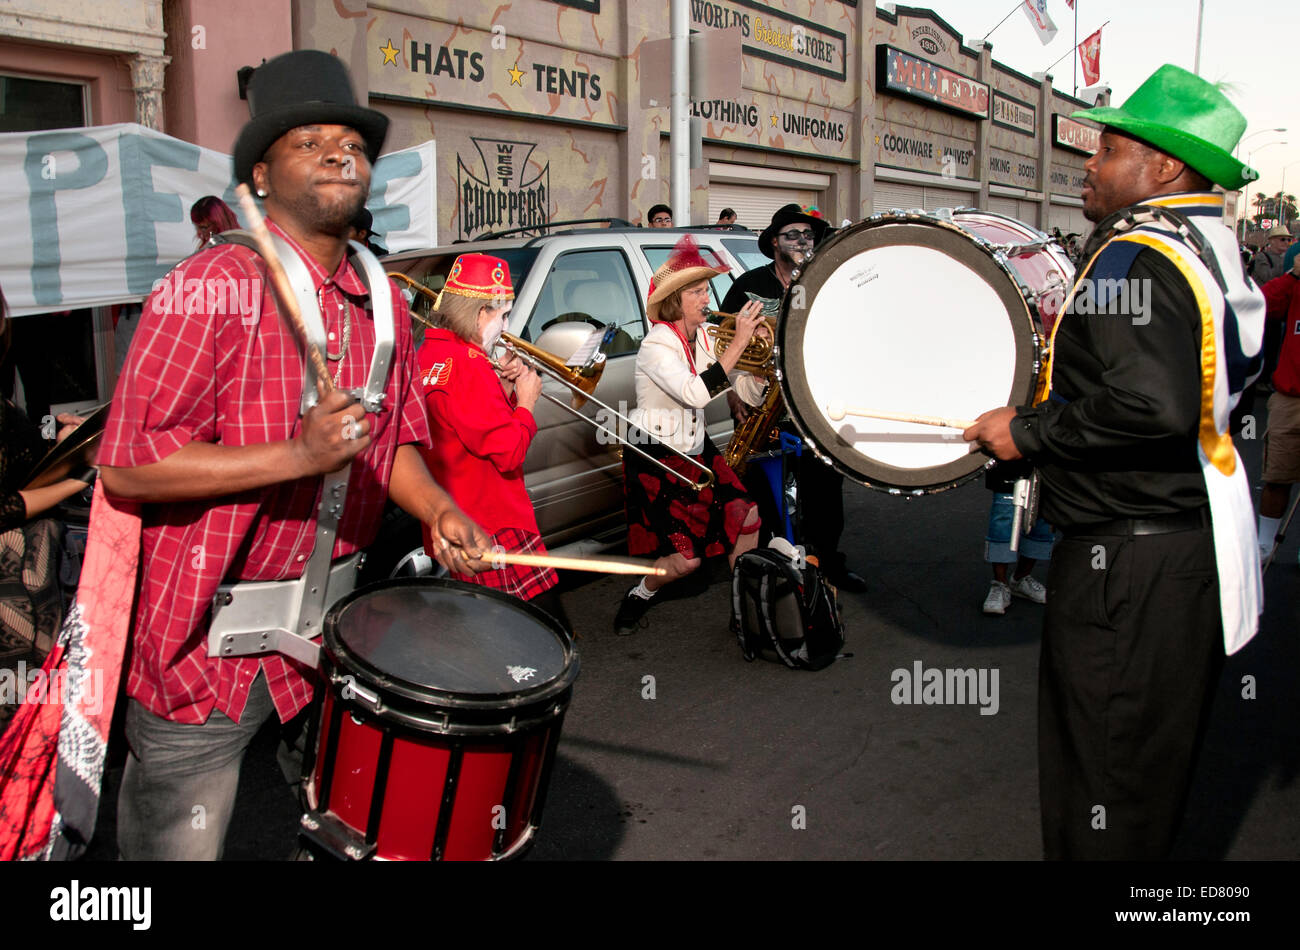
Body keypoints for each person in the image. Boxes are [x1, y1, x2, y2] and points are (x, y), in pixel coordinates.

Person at [97, 49, 489, 860]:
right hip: (204, 649)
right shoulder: (211, 288)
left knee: (333, 838)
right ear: (263, 177)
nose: (339, 151)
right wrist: (296, 455)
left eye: (352, 141)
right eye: (309, 141)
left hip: (331, 639)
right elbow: (129, 465)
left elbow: (395, 440)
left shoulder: (383, 300)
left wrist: (437, 507)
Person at [963, 64, 1265, 860]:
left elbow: (1149, 406)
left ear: (1163, 168)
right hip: (1178, 549)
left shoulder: (1133, 258)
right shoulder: (1209, 250)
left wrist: (1025, 433)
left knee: (1102, 784)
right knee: (1138, 781)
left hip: (1126, 567)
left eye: (1107, 148)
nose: (1088, 164)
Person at [614, 235, 766, 634]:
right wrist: (739, 342)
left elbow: (734, 385)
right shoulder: (656, 344)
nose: (707, 298)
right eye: (697, 291)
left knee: (747, 514)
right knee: (686, 561)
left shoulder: (699, 337)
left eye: (706, 289)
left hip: (695, 447)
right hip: (657, 454)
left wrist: (765, 371)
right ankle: (641, 593)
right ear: (676, 299)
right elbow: (697, 391)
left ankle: (744, 612)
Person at [720, 204, 867, 592]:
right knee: (770, 499)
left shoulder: (825, 283)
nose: (803, 240)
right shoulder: (749, 286)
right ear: (773, 242)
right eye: (793, 234)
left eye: (808, 234)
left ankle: (827, 566)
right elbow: (723, 346)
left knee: (825, 495)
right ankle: (776, 573)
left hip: (815, 407)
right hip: (764, 409)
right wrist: (735, 398)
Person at [415, 253, 566, 619]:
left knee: (495, 631)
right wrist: (527, 403)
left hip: (461, 513)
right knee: (544, 632)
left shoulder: (428, 355)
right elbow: (508, 451)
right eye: (503, 316)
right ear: (480, 313)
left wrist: (501, 383)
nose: (506, 326)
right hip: (496, 522)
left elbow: (469, 423)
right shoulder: (468, 365)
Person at [0, 286, 92, 733]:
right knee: (15, 716)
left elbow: (18, 450)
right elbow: (5, 505)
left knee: (31, 714)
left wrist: (59, 437)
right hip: (8, 589)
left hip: (27, 582)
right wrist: (75, 481)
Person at [1256, 252, 1300, 562]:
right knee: (1277, 476)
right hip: (1291, 397)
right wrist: (1293, 275)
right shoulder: (1294, 284)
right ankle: (1263, 544)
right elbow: (1262, 305)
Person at [979, 460, 1053, 615]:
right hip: (1010, 458)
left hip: (1049, 460)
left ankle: (1020, 579)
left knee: (1043, 521)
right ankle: (1000, 584)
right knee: (1003, 521)